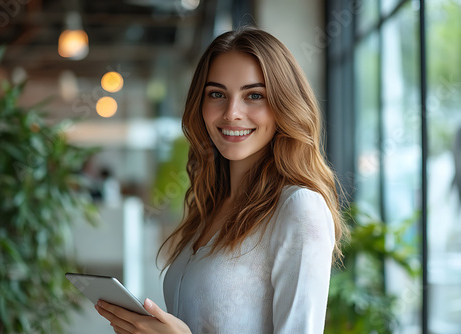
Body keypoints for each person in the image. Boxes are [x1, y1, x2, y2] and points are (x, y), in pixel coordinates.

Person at [95, 27, 347, 334]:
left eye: (254, 95)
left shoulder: (298, 208)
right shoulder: (210, 206)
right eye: (217, 94)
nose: (232, 113)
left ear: (284, 105)